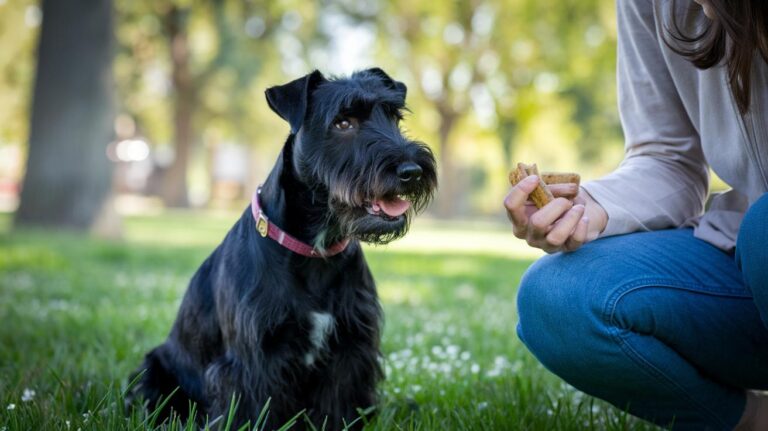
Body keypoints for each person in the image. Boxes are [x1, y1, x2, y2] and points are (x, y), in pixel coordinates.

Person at [503, 0, 768, 430]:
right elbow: (668, 157)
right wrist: (592, 208)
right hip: (748, 259)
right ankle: (752, 422)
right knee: (558, 296)